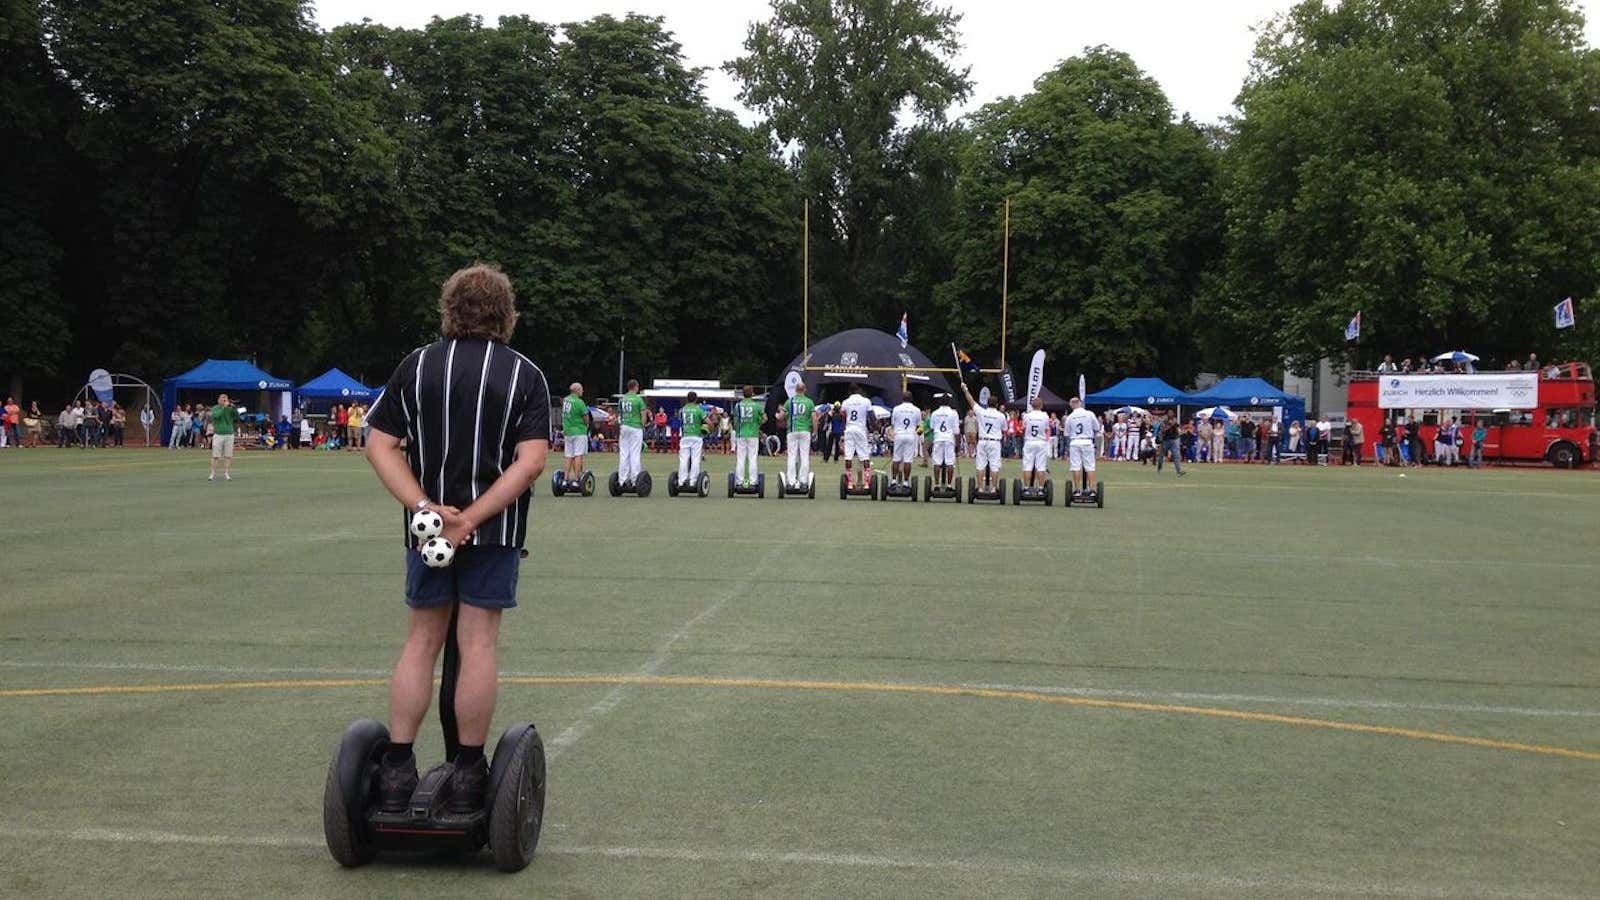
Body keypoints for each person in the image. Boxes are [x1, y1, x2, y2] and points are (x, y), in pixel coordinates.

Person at [363, 263, 550, 815]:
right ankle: (468, 770)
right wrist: (472, 518)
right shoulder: (525, 375)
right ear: (506, 314)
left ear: (449, 311)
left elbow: (379, 445)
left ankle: (397, 768)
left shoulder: (416, 366)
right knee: (478, 646)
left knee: (420, 642)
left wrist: (425, 507)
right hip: (491, 533)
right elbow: (532, 461)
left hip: (428, 535)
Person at [958, 380, 1006, 493]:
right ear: (997, 405)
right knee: (994, 466)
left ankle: (980, 488)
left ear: (987, 403)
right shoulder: (1001, 415)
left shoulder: (981, 412)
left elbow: (971, 401)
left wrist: (965, 390)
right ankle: (994, 488)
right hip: (994, 442)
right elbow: (1004, 429)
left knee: (980, 465)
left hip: (983, 441)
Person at [776, 380, 816, 487]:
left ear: (795, 390)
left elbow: (780, 417)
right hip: (805, 431)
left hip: (792, 431)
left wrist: (781, 414)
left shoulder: (789, 401)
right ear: (805, 390)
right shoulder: (809, 402)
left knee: (792, 456)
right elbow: (814, 418)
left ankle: (791, 481)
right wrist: (815, 431)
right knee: (804, 456)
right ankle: (803, 481)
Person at [1062, 397, 1102, 496]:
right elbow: (1097, 427)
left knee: (1076, 466)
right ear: (1080, 403)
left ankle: (1077, 490)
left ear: (1071, 405)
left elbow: (1066, 433)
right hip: (1087, 441)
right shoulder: (1090, 414)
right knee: (1090, 466)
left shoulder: (1070, 417)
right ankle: (1092, 490)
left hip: (1075, 442)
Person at [839, 385, 874, 490]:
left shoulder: (846, 402)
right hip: (860, 430)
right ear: (860, 391)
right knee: (864, 457)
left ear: (850, 392)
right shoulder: (866, 401)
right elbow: (871, 416)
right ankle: (867, 483)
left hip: (849, 429)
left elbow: (842, 415)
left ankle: (850, 483)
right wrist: (874, 426)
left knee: (848, 456)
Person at [616, 379, 648, 488]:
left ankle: (622, 480)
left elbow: (619, 414)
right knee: (634, 454)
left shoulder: (622, 399)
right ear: (635, 387)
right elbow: (643, 415)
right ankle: (635, 480)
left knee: (624, 453)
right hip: (635, 427)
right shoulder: (638, 400)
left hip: (624, 426)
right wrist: (643, 426)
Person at [731, 385, 765, 488]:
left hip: (741, 434)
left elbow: (735, 421)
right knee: (752, 458)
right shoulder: (757, 406)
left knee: (740, 458)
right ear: (752, 393)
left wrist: (737, 429)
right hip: (753, 434)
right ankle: (753, 481)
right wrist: (757, 424)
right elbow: (765, 418)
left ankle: (739, 481)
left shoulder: (738, 406)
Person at [676, 392, 710, 488]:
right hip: (696, 436)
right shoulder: (699, 410)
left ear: (687, 399)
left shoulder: (682, 410)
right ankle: (693, 481)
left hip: (685, 436)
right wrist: (709, 430)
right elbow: (709, 422)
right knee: (695, 459)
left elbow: (681, 421)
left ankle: (681, 481)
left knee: (683, 459)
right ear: (696, 399)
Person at [888, 396, 922, 488]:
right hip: (910, 435)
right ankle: (906, 482)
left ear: (902, 399)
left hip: (899, 435)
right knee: (908, 460)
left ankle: (894, 480)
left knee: (896, 459)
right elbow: (919, 427)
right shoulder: (917, 410)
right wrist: (919, 435)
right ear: (911, 399)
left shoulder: (896, 409)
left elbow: (893, 425)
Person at [560, 383, 590, 485]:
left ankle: (566, 478)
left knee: (568, 455)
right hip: (579, 431)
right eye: (581, 389)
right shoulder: (579, 402)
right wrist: (586, 425)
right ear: (576, 390)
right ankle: (577, 478)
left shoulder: (566, 400)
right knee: (578, 455)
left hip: (568, 431)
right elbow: (586, 417)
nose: (583, 391)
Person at [927, 396, 959, 490]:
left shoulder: (935, 413)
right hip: (949, 439)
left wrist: (933, 440)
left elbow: (932, 429)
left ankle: (936, 485)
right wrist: (957, 444)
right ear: (949, 402)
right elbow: (956, 431)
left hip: (938, 438)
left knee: (937, 462)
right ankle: (949, 485)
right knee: (950, 463)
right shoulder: (953, 413)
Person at [1019, 396, 1050, 489]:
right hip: (1041, 442)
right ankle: (1041, 488)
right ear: (1041, 405)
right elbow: (1046, 429)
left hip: (1029, 442)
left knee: (1027, 466)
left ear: (1032, 406)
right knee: (1041, 466)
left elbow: (1023, 428)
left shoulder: (1026, 416)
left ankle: (1026, 488)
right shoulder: (1045, 416)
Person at [208, 393, 240, 481]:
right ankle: (212, 473)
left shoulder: (230, 409)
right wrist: (223, 407)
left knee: (228, 455)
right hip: (218, 434)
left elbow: (237, 417)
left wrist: (234, 408)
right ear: (218, 400)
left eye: (226, 399)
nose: (224, 401)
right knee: (215, 455)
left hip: (229, 434)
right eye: (222, 399)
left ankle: (226, 473)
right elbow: (216, 416)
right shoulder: (215, 408)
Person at [1155, 411, 1185, 476]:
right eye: (1169, 413)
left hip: (1174, 440)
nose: (1171, 414)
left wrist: (1172, 424)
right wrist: (1168, 425)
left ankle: (1178, 471)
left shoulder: (1174, 420)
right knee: (1161, 456)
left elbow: (1176, 425)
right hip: (1165, 440)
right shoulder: (1163, 422)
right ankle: (1159, 468)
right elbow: (1163, 430)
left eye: (1172, 413)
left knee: (1176, 455)